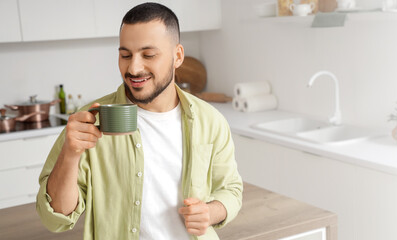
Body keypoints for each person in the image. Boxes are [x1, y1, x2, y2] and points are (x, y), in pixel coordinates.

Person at [36, 3, 243, 240]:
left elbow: (231, 190)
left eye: (148, 55)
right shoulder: (90, 121)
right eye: (125, 55)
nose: (133, 68)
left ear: (177, 56)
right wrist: (70, 154)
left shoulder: (210, 120)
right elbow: (54, 218)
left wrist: (210, 212)